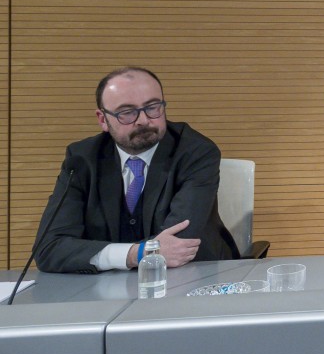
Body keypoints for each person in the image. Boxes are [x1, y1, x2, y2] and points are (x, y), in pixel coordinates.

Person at [33, 67, 239, 273]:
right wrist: (135, 254)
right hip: (107, 284)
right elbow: (49, 248)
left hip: (191, 275)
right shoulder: (82, 160)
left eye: (152, 107)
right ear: (103, 119)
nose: (143, 120)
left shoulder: (196, 151)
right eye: (127, 112)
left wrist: (104, 255)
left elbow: (177, 244)